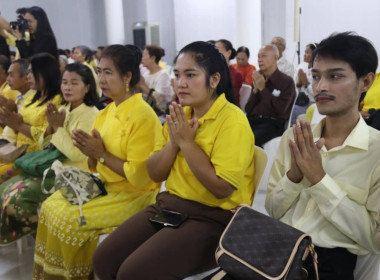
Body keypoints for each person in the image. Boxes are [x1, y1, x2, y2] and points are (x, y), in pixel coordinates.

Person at [93, 41, 255, 279]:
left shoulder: (232, 120)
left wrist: (187, 144)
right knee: (104, 259)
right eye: (177, 75)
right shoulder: (181, 114)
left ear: (214, 80)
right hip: (171, 206)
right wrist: (174, 142)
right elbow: (155, 173)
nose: (181, 83)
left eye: (191, 75)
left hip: (214, 218)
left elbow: (221, 188)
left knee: (133, 273)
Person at [33, 45, 162, 280]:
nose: (101, 79)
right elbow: (94, 164)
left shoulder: (144, 116)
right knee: (51, 208)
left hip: (135, 195)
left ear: (127, 77)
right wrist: (91, 153)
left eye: (108, 73)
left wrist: (100, 154)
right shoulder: (106, 111)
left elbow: (140, 176)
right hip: (106, 184)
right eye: (99, 72)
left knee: (68, 221)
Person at [265, 32, 380, 280]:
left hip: (327, 263)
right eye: (316, 76)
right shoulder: (294, 139)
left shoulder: (376, 153)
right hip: (278, 251)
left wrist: (319, 180)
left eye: (335, 76)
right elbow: (273, 210)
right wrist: (295, 177)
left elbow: (375, 237)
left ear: (366, 82)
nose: (321, 87)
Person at [0, 63, 99, 245]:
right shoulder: (66, 109)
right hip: (54, 168)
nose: (67, 87)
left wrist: (58, 128)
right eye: (65, 82)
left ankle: (43, 241)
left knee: (18, 197)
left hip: (76, 176)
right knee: (5, 188)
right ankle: (41, 239)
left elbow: (77, 155)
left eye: (74, 83)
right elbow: (48, 146)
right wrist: (52, 129)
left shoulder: (90, 114)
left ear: (87, 87)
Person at [0, 53, 62, 181]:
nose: (28, 77)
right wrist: (10, 120)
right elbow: (18, 128)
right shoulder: (31, 98)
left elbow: (47, 137)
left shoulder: (56, 101)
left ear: (44, 73)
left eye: (31, 73)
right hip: (18, 152)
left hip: (36, 158)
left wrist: (19, 125)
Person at [245, 44, 296, 147]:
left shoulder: (286, 81)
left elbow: (281, 110)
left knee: (248, 141)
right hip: (252, 121)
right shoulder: (259, 78)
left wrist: (263, 89)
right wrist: (255, 91)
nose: (260, 59)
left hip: (272, 124)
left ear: (276, 58)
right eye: (258, 56)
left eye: (264, 56)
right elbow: (248, 109)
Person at [0, 58, 34, 145]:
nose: (7, 79)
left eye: (11, 75)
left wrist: (11, 112)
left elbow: (20, 130)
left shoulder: (33, 99)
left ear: (26, 78)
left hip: (13, 145)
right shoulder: (20, 97)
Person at [138, 45, 173, 117]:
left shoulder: (163, 75)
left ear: (153, 58)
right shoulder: (146, 74)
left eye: (144, 56)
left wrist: (142, 85)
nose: (142, 59)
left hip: (160, 115)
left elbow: (160, 101)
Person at [290, 43, 318, 125]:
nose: (304, 55)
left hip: (312, 102)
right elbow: (295, 87)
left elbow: (317, 93)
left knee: (294, 110)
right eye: (304, 52)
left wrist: (306, 83)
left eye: (307, 52)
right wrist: (298, 84)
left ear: (314, 54)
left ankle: (294, 134)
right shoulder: (301, 68)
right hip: (300, 100)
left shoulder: (318, 70)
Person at [215, 39, 242, 106]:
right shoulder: (213, 72)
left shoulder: (236, 75)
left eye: (217, 50)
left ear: (228, 53)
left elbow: (229, 97)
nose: (214, 53)